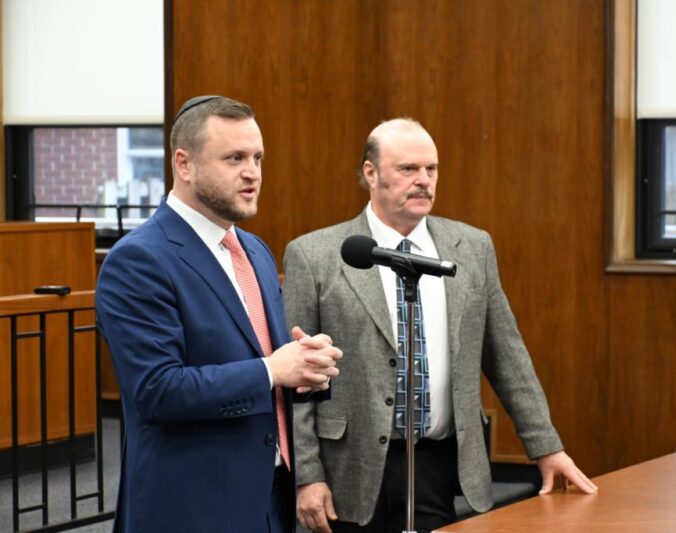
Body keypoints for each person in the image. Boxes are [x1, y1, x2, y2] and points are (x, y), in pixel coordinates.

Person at [282, 118, 598, 533]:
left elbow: (506, 356)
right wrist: (307, 475)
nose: (424, 181)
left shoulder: (471, 247)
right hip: (350, 464)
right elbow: (299, 381)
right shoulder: (316, 255)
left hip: (438, 460)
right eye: (408, 169)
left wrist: (546, 448)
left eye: (431, 169)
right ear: (371, 173)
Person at [95, 95, 343, 533]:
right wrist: (271, 369)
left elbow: (260, 364)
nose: (253, 172)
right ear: (184, 165)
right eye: (234, 158)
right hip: (192, 508)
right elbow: (157, 390)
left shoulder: (255, 251)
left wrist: (304, 369)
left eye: (258, 157)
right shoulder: (138, 259)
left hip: (268, 501)